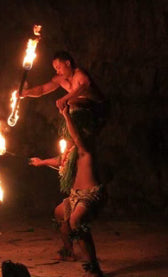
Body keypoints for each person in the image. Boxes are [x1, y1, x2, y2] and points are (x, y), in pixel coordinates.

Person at [29, 104, 105, 277]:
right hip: (74, 196)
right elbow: (59, 160)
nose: (68, 137)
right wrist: (41, 162)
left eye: (69, 133)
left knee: (76, 221)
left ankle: (94, 268)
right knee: (59, 212)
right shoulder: (71, 153)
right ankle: (68, 251)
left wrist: (66, 115)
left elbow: (77, 138)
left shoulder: (86, 149)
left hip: (90, 195)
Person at [22, 51, 106, 113]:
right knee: (65, 108)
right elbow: (42, 89)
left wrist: (65, 99)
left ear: (67, 63)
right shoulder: (60, 79)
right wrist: (26, 93)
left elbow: (84, 87)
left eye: (59, 67)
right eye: (56, 69)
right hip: (83, 110)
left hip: (98, 105)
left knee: (70, 103)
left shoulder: (79, 74)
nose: (57, 72)